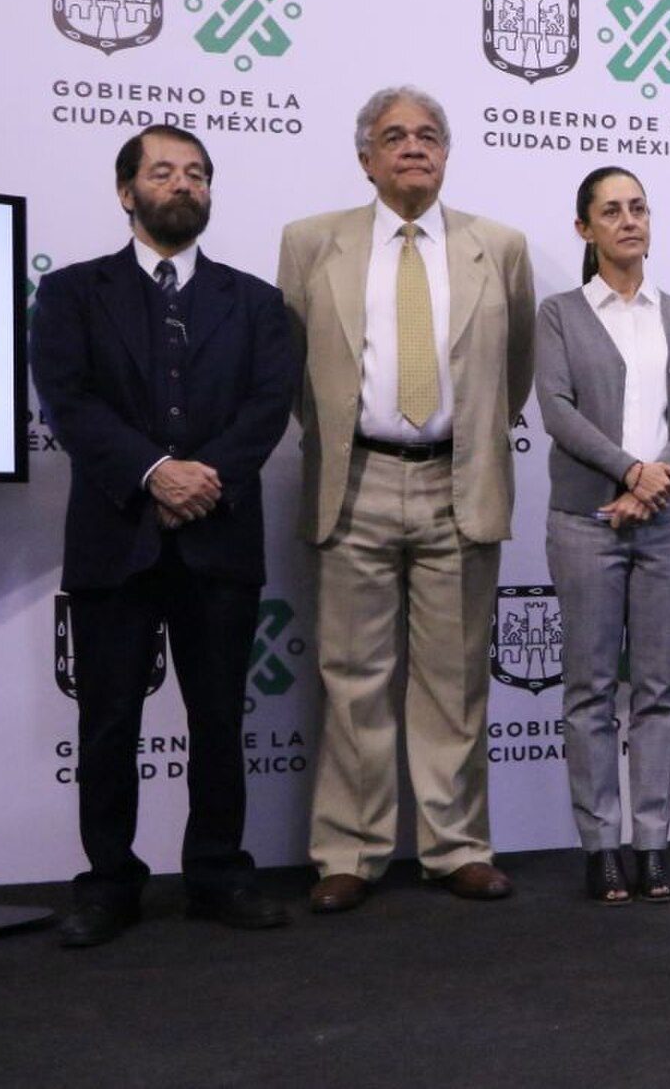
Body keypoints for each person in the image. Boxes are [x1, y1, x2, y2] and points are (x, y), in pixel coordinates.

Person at [31, 126, 297, 946]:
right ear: (126, 192)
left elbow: (268, 405)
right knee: (109, 720)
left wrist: (202, 477)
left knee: (218, 717)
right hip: (115, 537)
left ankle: (217, 870)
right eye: (164, 172)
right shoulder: (71, 293)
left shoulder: (256, 303)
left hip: (219, 535)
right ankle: (109, 882)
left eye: (197, 174)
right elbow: (69, 400)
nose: (183, 184)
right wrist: (154, 472)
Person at [277, 86, 537, 911]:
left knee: (454, 681)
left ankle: (456, 846)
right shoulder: (311, 242)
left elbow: (514, 370)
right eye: (394, 137)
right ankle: (350, 850)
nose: (413, 148)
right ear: (367, 159)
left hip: (458, 480)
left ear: (447, 154)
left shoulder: (500, 247)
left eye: (428, 136)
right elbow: (294, 371)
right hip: (354, 480)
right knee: (352, 677)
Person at [537, 166, 670, 905]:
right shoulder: (559, 314)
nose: (629, 220)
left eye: (638, 207)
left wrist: (656, 479)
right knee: (589, 690)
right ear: (585, 228)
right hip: (587, 521)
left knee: (659, 689)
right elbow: (557, 410)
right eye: (610, 211)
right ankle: (600, 847)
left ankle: (651, 844)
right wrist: (630, 472)